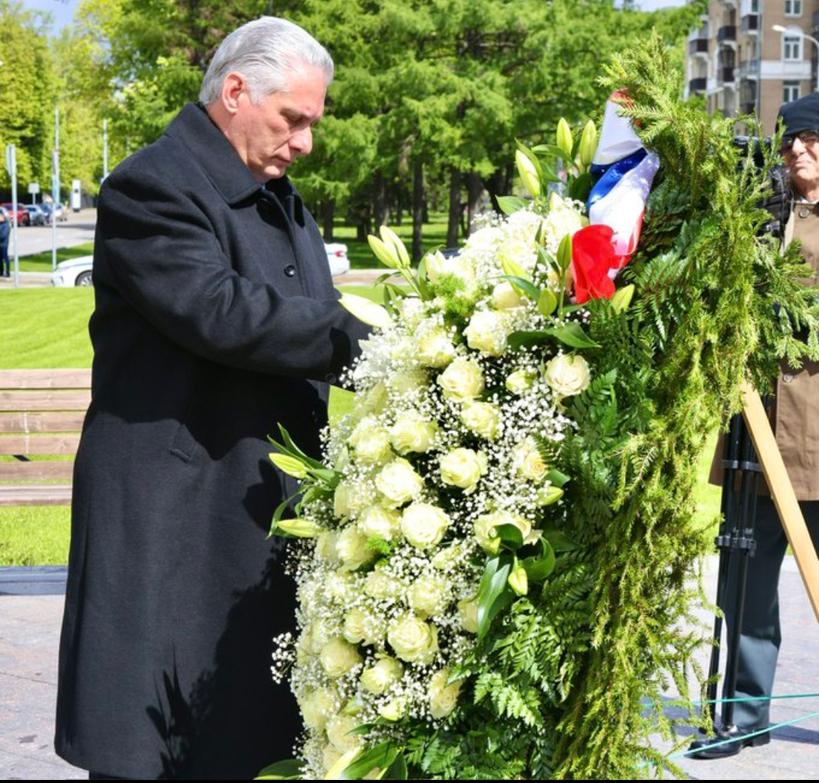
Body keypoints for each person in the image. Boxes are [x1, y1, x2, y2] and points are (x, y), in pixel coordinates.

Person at [54, 17, 370, 780]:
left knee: (251, 743)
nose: (303, 143)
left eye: (311, 124)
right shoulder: (152, 185)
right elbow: (219, 310)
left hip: (254, 513)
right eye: (292, 119)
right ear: (235, 91)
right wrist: (362, 340)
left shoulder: (278, 198)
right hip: (174, 521)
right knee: (162, 746)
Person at [691, 92, 819, 759]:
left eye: (810, 138)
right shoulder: (762, 216)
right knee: (743, 578)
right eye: (789, 140)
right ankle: (741, 714)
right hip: (757, 429)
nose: (797, 149)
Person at [0, 209, 10, 277]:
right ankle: (1, 271)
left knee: (5, 258)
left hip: (4, 244)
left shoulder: (6, 224)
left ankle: (7, 272)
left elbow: (3, 235)